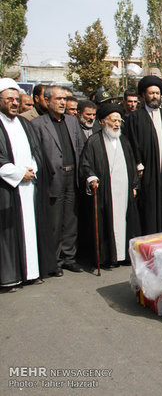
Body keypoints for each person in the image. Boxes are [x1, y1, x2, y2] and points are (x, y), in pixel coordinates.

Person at [0, 78, 55, 291]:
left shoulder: (24, 123)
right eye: (9, 99)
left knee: (30, 230)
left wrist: (32, 169)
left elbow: (36, 150)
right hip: (8, 188)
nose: (14, 103)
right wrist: (18, 173)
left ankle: (31, 273)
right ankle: (10, 277)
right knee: (10, 234)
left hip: (29, 186)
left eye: (16, 99)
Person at [78, 104, 141, 268]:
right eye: (113, 120)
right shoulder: (94, 141)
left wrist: (134, 185)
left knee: (125, 222)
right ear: (102, 121)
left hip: (124, 190)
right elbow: (85, 165)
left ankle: (124, 256)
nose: (117, 124)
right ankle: (109, 258)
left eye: (119, 121)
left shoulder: (124, 141)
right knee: (107, 223)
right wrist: (91, 177)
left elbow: (132, 164)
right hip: (107, 191)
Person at [31, 85, 85, 274]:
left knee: (71, 220)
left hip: (72, 177)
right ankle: (54, 261)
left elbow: (80, 148)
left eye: (64, 98)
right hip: (53, 178)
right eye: (58, 99)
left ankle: (69, 257)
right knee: (54, 221)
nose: (62, 102)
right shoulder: (38, 124)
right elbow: (36, 154)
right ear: (47, 101)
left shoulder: (72, 122)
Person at [124, 75, 162, 235]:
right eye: (151, 93)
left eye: (157, 93)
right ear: (143, 95)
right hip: (146, 174)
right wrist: (138, 165)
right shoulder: (135, 118)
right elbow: (130, 144)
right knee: (147, 208)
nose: (155, 96)